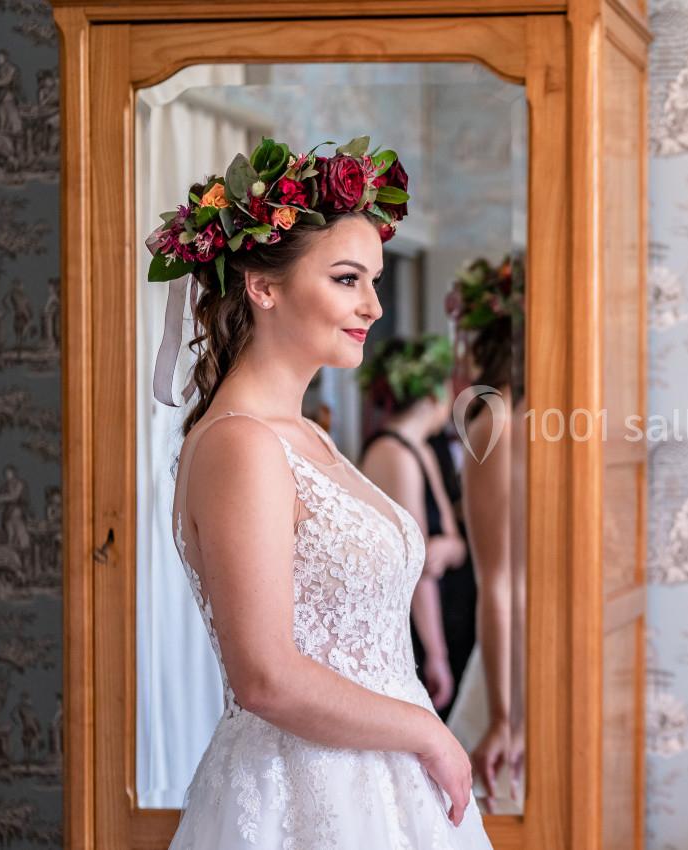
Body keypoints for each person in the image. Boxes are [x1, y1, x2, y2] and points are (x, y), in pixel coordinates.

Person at [148, 136, 490, 847]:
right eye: (345, 279)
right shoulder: (241, 444)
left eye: (373, 280)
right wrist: (426, 731)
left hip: (392, 784)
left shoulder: (315, 438)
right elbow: (265, 676)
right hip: (301, 794)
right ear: (262, 285)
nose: (372, 305)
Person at [443, 255, 527, 809]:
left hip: (520, 659)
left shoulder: (495, 423)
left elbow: (498, 582)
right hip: (561, 652)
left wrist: (504, 716)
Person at [358, 334, 469, 718]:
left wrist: (454, 548)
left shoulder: (420, 447)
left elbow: (450, 537)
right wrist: (436, 654)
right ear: (436, 393)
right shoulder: (393, 454)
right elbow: (417, 563)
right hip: (419, 627)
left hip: (450, 613)